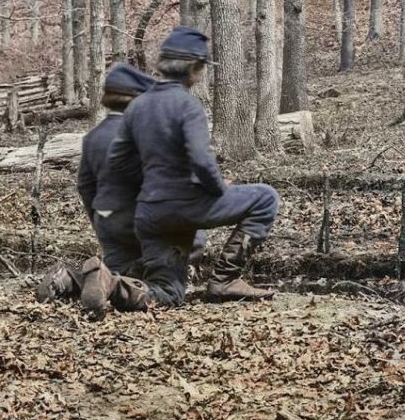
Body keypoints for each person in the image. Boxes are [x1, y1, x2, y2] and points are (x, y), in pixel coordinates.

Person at [99, 23, 280, 305]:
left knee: (168, 293)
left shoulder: (136, 107)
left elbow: (118, 163)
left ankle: (110, 286)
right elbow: (202, 162)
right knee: (266, 198)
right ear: (194, 68)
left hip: (150, 213)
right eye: (202, 67)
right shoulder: (187, 105)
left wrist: (154, 186)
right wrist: (218, 188)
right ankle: (225, 280)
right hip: (185, 207)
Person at [73, 59, 156, 317]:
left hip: (109, 224)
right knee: (170, 290)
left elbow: (85, 186)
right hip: (142, 225)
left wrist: (100, 221)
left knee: (113, 274)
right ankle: (119, 285)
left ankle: (67, 279)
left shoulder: (93, 137)